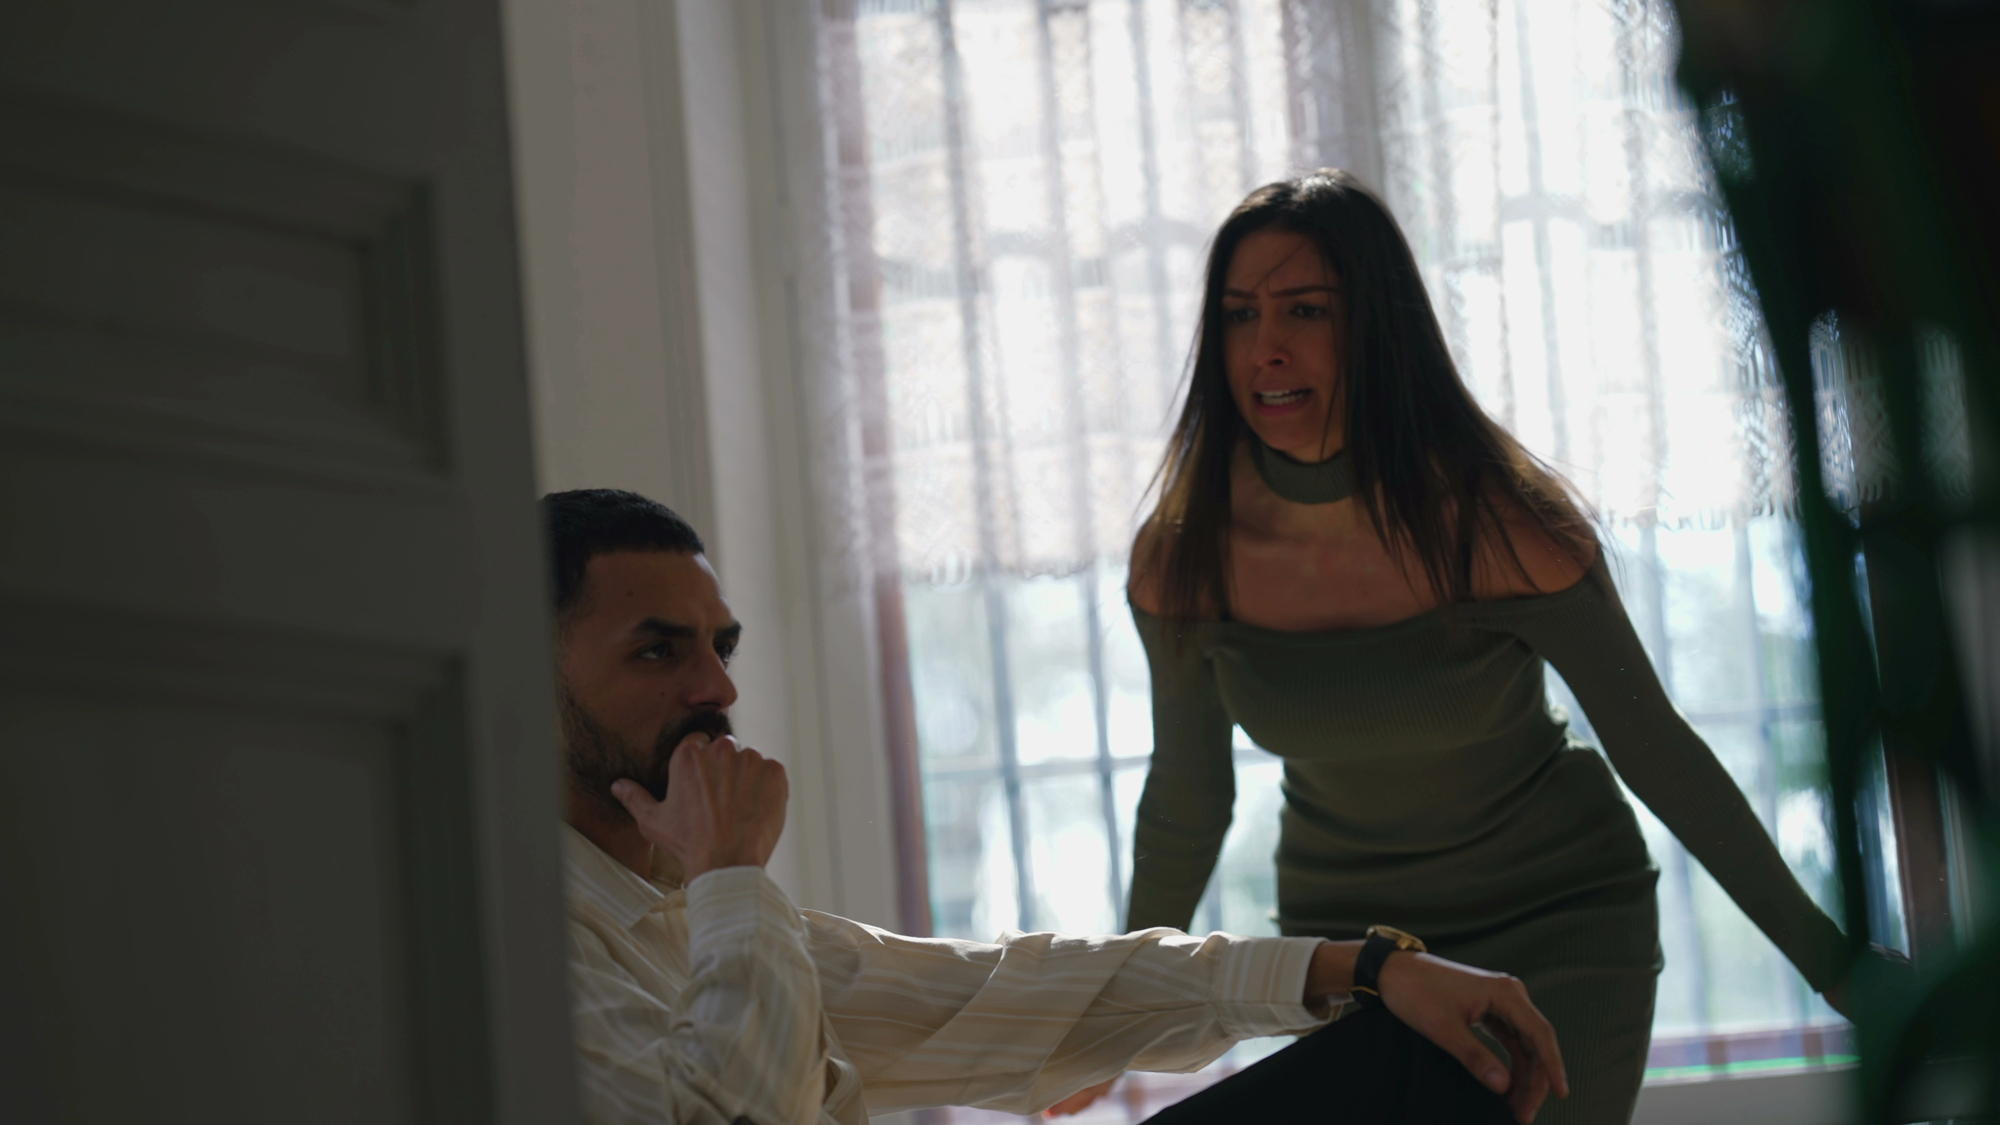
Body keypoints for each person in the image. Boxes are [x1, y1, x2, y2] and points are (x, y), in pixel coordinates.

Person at [1121, 170, 1855, 1125]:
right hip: (1359, 956)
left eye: (1305, 309)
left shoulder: (1501, 520)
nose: (1265, 348)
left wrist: (1831, 961)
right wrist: (1108, 1011)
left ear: (1377, 325)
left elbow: (1658, 752)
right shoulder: (1184, 560)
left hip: (1557, 926)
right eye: (1236, 314)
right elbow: (1187, 798)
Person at [544, 488, 1569, 1125]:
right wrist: (729, 875)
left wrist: (1372, 967)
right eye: (656, 649)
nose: (717, 692)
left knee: (1419, 1054)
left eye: (719, 648)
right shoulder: (516, 952)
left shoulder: (701, 925)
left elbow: (1013, 992)